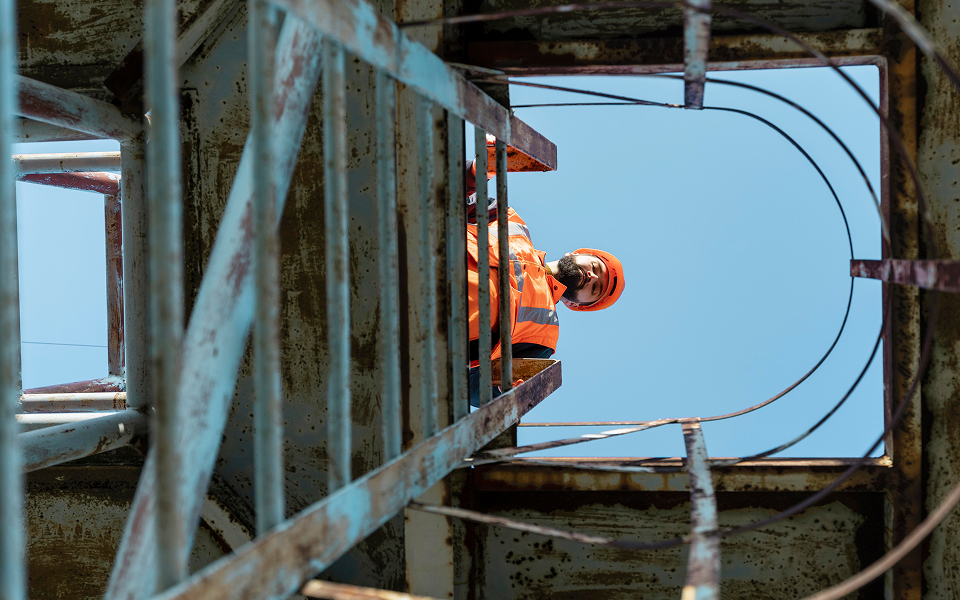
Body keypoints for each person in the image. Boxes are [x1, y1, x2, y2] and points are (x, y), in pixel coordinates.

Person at [465, 160, 625, 406]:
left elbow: (474, 387)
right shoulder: (513, 225)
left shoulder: (543, 340)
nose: (592, 277)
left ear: (578, 306)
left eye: (594, 289)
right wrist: (476, 170)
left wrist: (502, 391)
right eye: (594, 267)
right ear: (573, 253)